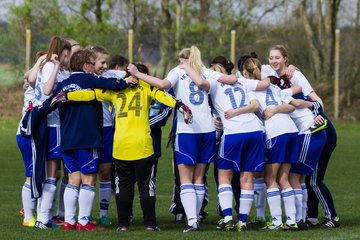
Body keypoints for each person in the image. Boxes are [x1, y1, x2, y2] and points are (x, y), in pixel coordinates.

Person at [127, 46, 237, 232]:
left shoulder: (178, 71)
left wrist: (138, 73)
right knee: (199, 177)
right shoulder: (206, 72)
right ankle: (196, 218)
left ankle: (192, 221)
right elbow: (232, 79)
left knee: (185, 178)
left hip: (187, 130)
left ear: (183, 60)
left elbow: (162, 85)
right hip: (208, 129)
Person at [46, 48, 135, 231]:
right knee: (88, 180)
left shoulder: (64, 84)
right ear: (87, 65)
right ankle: (84, 221)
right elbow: (113, 84)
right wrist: (128, 81)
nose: (96, 67)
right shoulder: (91, 80)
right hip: (88, 139)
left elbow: (49, 102)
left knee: (73, 180)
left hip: (68, 139)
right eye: (93, 64)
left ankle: (69, 221)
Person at [264, 44, 339, 228]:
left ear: (285, 59)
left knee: (311, 178)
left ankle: (328, 217)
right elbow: (251, 67)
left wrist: (316, 112)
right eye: (271, 58)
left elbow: (316, 100)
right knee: (304, 177)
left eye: (278, 58)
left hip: (317, 128)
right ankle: (309, 216)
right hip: (301, 132)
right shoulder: (269, 73)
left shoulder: (295, 76)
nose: (274, 61)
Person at [243, 57, 299, 231]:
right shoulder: (274, 87)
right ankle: (291, 220)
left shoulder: (249, 89)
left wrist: (272, 111)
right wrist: (277, 108)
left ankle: (275, 222)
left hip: (276, 132)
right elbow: (291, 107)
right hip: (291, 130)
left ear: (245, 73)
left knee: (270, 178)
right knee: (284, 178)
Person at [30, 36, 72, 229]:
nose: (69, 57)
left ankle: (43, 217)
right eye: (68, 54)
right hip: (50, 125)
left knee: (52, 173)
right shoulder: (50, 66)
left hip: (55, 124)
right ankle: (43, 218)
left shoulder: (55, 68)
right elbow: (47, 90)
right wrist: (55, 67)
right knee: (51, 173)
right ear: (63, 52)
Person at [17, 52, 47, 227]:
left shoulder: (37, 81)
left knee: (38, 174)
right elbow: (29, 76)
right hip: (27, 134)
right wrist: (40, 61)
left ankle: (28, 210)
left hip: (31, 133)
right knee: (30, 175)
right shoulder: (34, 82)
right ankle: (28, 217)